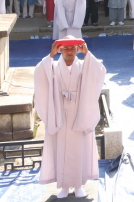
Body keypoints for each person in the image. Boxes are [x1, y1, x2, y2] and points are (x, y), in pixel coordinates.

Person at [34, 38, 106, 199]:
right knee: (60, 149)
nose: (69, 51)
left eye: (72, 48)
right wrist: (50, 55)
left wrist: (87, 53)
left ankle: (79, 185)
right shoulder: (52, 66)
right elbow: (39, 73)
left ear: (78, 49)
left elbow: (100, 71)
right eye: (65, 49)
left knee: (79, 149)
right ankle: (64, 186)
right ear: (59, 50)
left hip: (80, 113)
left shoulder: (85, 66)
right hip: (58, 113)